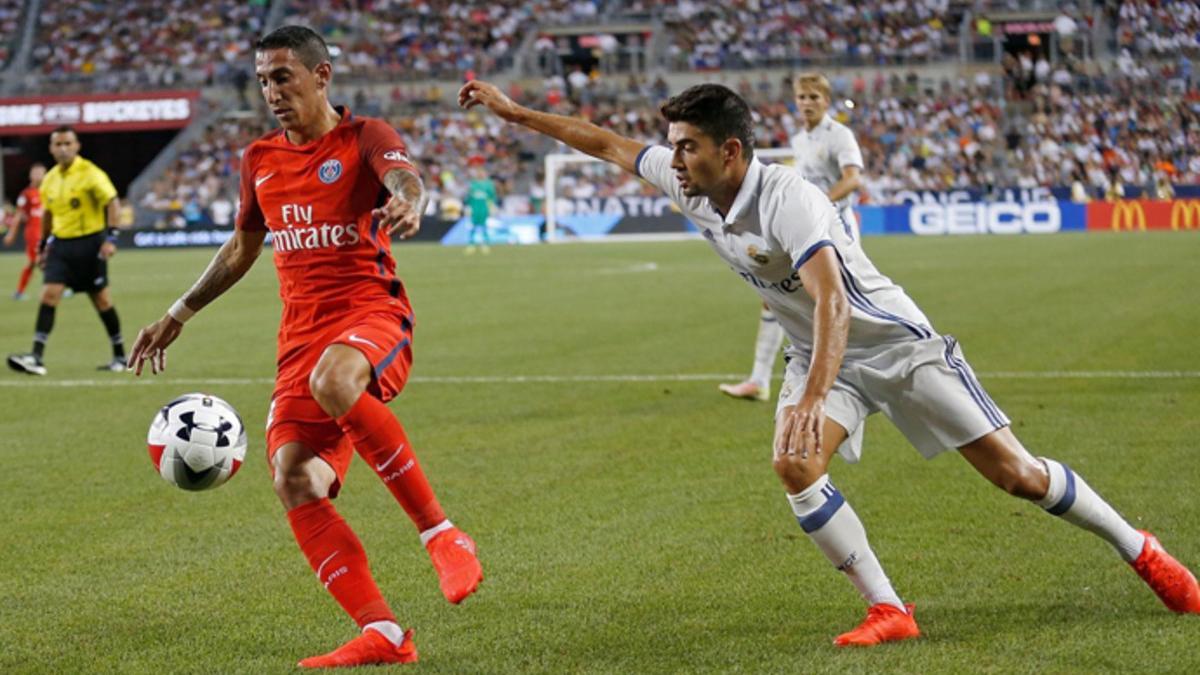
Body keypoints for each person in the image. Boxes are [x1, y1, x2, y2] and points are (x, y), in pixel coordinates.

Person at [459, 79, 1200, 645]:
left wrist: (810, 397)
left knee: (1017, 475)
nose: (673, 159)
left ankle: (1142, 549)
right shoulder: (691, 186)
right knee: (795, 464)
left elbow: (833, 302)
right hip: (823, 355)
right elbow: (604, 143)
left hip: (895, 347)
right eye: (674, 147)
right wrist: (514, 114)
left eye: (687, 146)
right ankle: (889, 606)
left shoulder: (790, 198)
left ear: (731, 152)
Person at [126, 26, 482, 668]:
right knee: (295, 477)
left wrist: (409, 202)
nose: (271, 91)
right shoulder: (258, 158)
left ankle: (442, 533)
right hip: (300, 342)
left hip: (372, 314)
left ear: (321, 76)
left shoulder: (365, 137)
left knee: (335, 380)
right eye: (263, 80)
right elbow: (242, 248)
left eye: (283, 76)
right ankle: (384, 635)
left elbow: (406, 181)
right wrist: (178, 312)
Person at [719, 73, 864, 402]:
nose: (807, 103)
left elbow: (853, 179)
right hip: (805, 233)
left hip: (836, 232)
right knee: (774, 295)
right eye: (802, 97)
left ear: (826, 101)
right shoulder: (800, 140)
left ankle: (850, 376)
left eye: (814, 97)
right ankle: (758, 379)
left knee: (835, 303)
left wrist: (819, 204)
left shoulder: (840, 136)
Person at [6, 130, 126, 376]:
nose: (63, 148)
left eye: (67, 143)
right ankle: (36, 357)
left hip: (90, 243)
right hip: (61, 245)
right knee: (49, 295)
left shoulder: (90, 173)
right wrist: (42, 247)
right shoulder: (49, 179)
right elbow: (48, 216)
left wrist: (111, 237)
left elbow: (112, 202)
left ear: (77, 145)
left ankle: (121, 356)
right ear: (51, 148)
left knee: (102, 301)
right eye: (58, 144)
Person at [4, 163, 46, 300]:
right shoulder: (26, 194)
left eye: (42, 172)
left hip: (49, 232)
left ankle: (19, 292)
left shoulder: (49, 192)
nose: (39, 175)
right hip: (34, 233)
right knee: (42, 260)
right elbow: (18, 216)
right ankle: (59, 285)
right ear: (31, 175)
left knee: (32, 263)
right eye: (36, 172)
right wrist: (11, 233)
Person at [464, 160, 498, 254]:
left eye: (482, 172)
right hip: (475, 208)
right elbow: (469, 197)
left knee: (483, 226)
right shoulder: (473, 184)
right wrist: (468, 207)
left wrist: (491, 207)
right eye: (479, 173)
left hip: (484, 207)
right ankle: (471, 244)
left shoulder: (488, 184)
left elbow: (492, 197)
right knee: (473, 226)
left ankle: (485, 244)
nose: (480, 174)